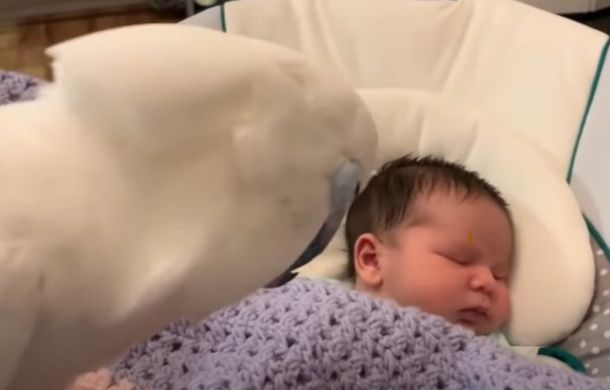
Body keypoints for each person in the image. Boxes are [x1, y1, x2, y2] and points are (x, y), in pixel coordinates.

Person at [345, 155, 514, 336]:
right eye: (460, 260)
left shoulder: (495, 350)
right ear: (373, 260)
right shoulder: (329, 313)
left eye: (499, 275)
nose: (488, 281)